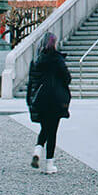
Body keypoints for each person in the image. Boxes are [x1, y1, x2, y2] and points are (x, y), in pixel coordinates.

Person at [27, 33, 72, 173]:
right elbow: (67, 77)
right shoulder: (57, 59)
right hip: (55, 98)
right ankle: (49, 164)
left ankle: (38, 150)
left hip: (40, 98)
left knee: (45, 127)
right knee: (52, 131)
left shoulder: (36, 60)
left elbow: (32, 80)